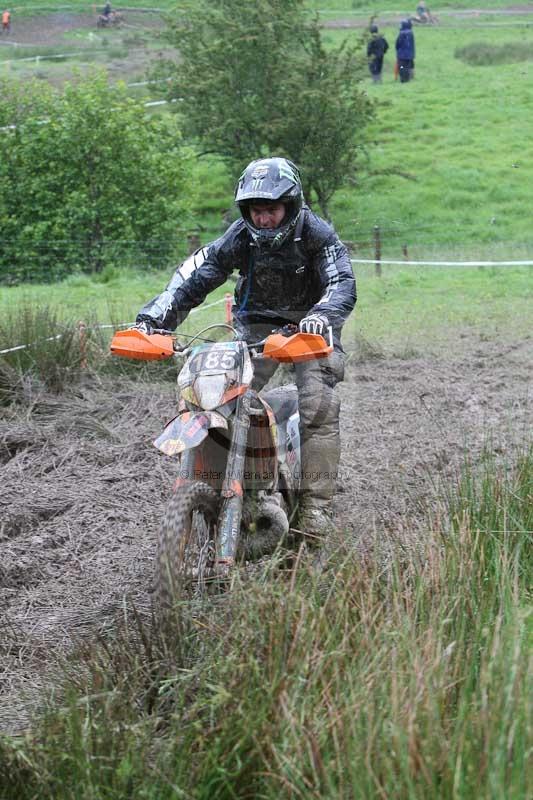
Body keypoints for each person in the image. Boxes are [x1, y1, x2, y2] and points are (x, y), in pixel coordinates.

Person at [135, 157, 356, 539]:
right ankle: (226, 484)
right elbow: (197, 274)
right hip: (255, 326)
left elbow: (342, 283)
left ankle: (317, 507)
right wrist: (153, 319)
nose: (264, 219)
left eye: (271, 210)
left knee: (317, 405)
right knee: (218, 395)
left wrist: (322, 314)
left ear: (290, 204)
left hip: (311, 330)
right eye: (256, 211)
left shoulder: (318, 235)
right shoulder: (240, 235)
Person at [395, 19, 415, 83]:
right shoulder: (411, 32)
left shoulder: (401, 33)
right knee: (407, 67)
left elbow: (398, 44)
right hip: (409, 55)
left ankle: (403, 79)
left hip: (402, 55)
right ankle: (408, 78)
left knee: (401, 67)